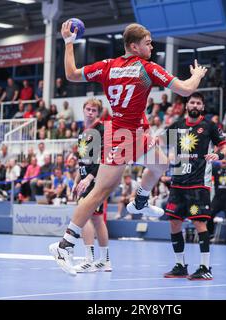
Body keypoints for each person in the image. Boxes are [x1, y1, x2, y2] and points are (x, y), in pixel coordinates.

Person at [49, 21, 209, 275]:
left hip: (135, 131)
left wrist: (69, 42)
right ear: (134, 46)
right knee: (99, 192)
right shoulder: (146, 68)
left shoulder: (107, 66)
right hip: (121, 136)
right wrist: (198, 74)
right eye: (147, 43)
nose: (151, 46)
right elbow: (187, 88)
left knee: (161, 164)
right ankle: (64, 245)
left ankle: (140, 201)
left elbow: (70, 74)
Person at [163, 92, 226, 280]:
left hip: (199, 183)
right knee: (174, 222)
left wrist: (220, 155)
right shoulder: (176, 126)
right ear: (186, 105)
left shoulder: (210, 126)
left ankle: (205, 267)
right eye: (192, 102)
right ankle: (180, 265)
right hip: (177, 183)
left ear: (202, 107)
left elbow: (225, 147)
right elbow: (162, 145)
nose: (194, 105)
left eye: (198, 103)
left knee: (199, 222)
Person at [71, 99, 112, 272]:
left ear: (98, 113)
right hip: (85, 180)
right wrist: (76, 181)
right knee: (96, 219)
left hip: (95, 180)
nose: (90, 112)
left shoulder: (101, 130)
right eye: (88, 109)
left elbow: (102, 159)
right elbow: (82, 161)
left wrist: (88, 178)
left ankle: (89, 260)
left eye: (93, 110)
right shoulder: (83, 132)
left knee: (85, 215)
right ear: (83, 110)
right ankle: (105, 260)